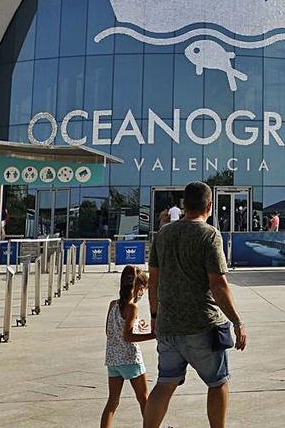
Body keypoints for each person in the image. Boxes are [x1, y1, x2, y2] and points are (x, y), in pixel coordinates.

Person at [143, 182, 247, 428]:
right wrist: (237, 321)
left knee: (165, 382)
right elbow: (218, 284)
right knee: (218, 382)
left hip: (168, 325)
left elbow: (153, 279)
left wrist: (155, 315)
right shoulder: (209, 235)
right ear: (209, 206)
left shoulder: (163, 234)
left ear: (183, 205)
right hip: (202, 325)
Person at [101, 266, 155, 428]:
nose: (143, 293)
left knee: (112, 402)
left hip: (113, 359)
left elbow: (109, 331)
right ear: (139, 288)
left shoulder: (113, 305)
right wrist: (154, 334)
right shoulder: (133, 307)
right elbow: (128, 336)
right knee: (144, 399)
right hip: (130, 359)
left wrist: (139, 326)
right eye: (143, 290)